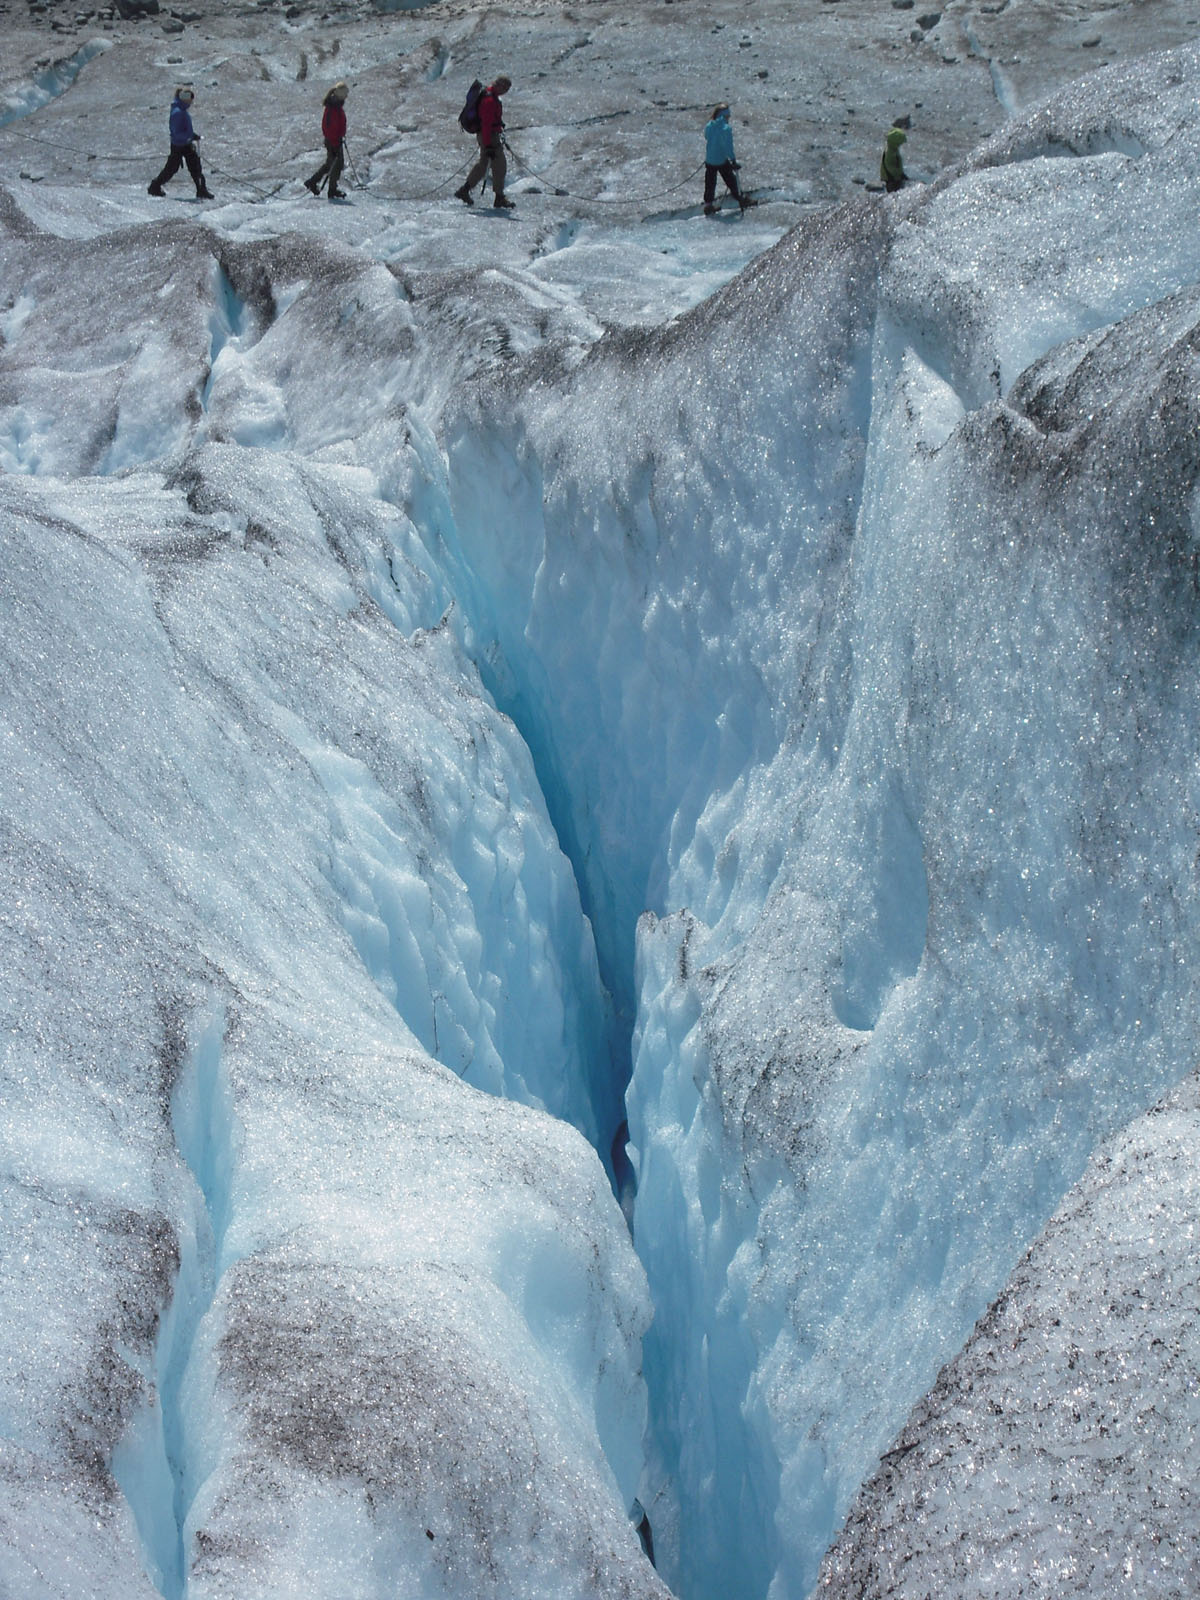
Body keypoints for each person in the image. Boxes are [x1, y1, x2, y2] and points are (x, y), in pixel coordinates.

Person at [456, 76, 513, 209]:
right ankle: (499, 197)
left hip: (488, 135)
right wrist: (488, 145)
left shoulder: (490, 96)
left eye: (507, 88)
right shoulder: (489, 100)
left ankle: (464, 190)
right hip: (489, 137)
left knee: (483, 164)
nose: (505, 90)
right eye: (504, 87)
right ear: (498, 84)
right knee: (500, 165)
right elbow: (486, 124)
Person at [148, 86, 213, 200]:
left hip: (184, 143)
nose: (192, 102)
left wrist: (192, 135)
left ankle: (201, 189)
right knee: (172, 168)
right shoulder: (178, 112)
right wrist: (189, 136)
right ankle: (155, 186)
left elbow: (184, 129)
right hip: (179, 145)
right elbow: (176, 132)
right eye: (190, 98)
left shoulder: (181, 110)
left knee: (195, 166)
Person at [306, 82, 349, 200]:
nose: (346, 96)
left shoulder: (334, 106)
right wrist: (335, 141)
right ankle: (331, 189)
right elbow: (330, 127)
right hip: (333, 141)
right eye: (345, 93)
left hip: (334, 140)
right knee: (336, 164)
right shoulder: (333, 107)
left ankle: (314, 182)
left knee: (330, 164)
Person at [703, 103, 749, 215]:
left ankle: (708, 205)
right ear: (725, 116)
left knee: (710, 183)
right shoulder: (726, 129)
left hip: (709, 160)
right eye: (728, 116)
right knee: (731, 180)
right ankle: (740, 198)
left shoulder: (709, 125)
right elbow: (728, 146)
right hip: (721, 160)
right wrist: (732, 160)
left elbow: (706, 137)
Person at [881, 124, 908, 192]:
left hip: (895, 177)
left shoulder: (893, 149)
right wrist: (898, 174)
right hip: (891, 179)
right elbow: (889, 166)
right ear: (895, 142)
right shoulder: (890, 152)